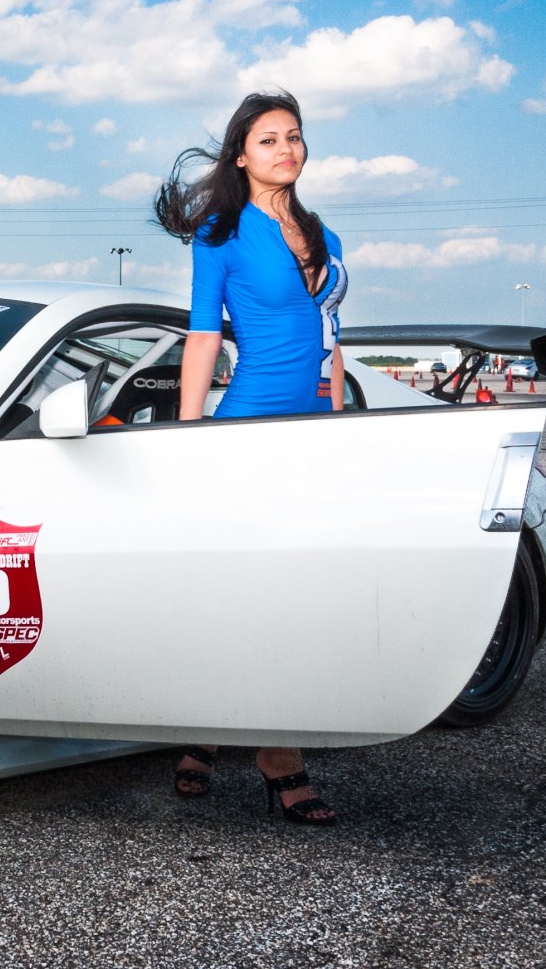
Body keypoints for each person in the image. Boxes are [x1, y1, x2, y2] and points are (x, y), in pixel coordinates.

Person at [151, 88, 344, 826]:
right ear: (241, 154)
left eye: (293, 136)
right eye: (268, 139)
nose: (285, 149)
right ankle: (278, 756)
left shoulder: (323, 233)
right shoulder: (220, 233)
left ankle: (206, 727)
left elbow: (331, 342)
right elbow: (203, 336)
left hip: (311, 432)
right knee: (255, 592)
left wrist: (337, 425)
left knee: (296, 589)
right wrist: (189, 432)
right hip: (248, 425)